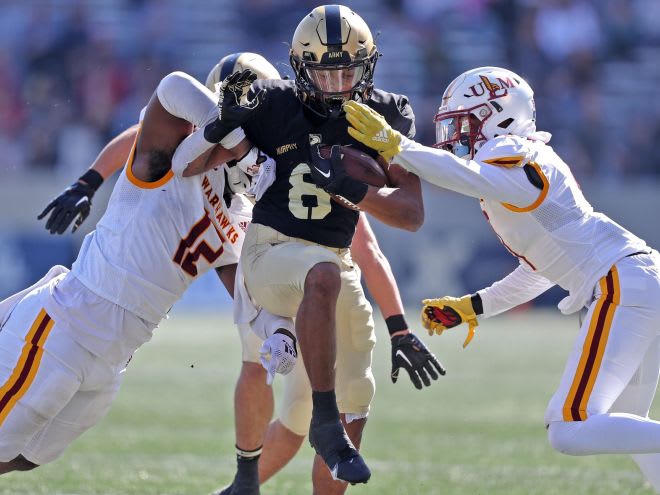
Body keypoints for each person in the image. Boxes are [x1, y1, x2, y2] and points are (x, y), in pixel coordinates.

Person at [344, 65, 660, 491]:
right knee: (633, 433)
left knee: (570, 426)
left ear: (499, 115)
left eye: (464, 123)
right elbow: (542, 269)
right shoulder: (516, 168)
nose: (457, 135)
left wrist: (399, 146)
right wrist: (474, 306)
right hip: (635, 281)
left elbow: (464, 176)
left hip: (623, 285)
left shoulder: (511, 151)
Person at [176, 4, 437, 488]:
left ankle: (321, 432)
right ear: (299, 68)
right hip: (268, 250)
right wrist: (218, 123)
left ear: (369, 66)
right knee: (317, 278)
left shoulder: (386, 112)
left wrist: (354, 189)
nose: (337, 85)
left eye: (348, 72)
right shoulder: (270, 101)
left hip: (333, 262)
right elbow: (188, 166)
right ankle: (319, 422)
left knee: (358, 391)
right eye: (324, 72)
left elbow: (411, 215)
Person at [0, 61, 296, 475]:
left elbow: (249, 299)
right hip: (68, 324)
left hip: (115, 356)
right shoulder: (166, 159)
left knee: (21, 459)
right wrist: (239, 143)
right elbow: (173, 87)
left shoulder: (240, 215)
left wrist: (280, 331)